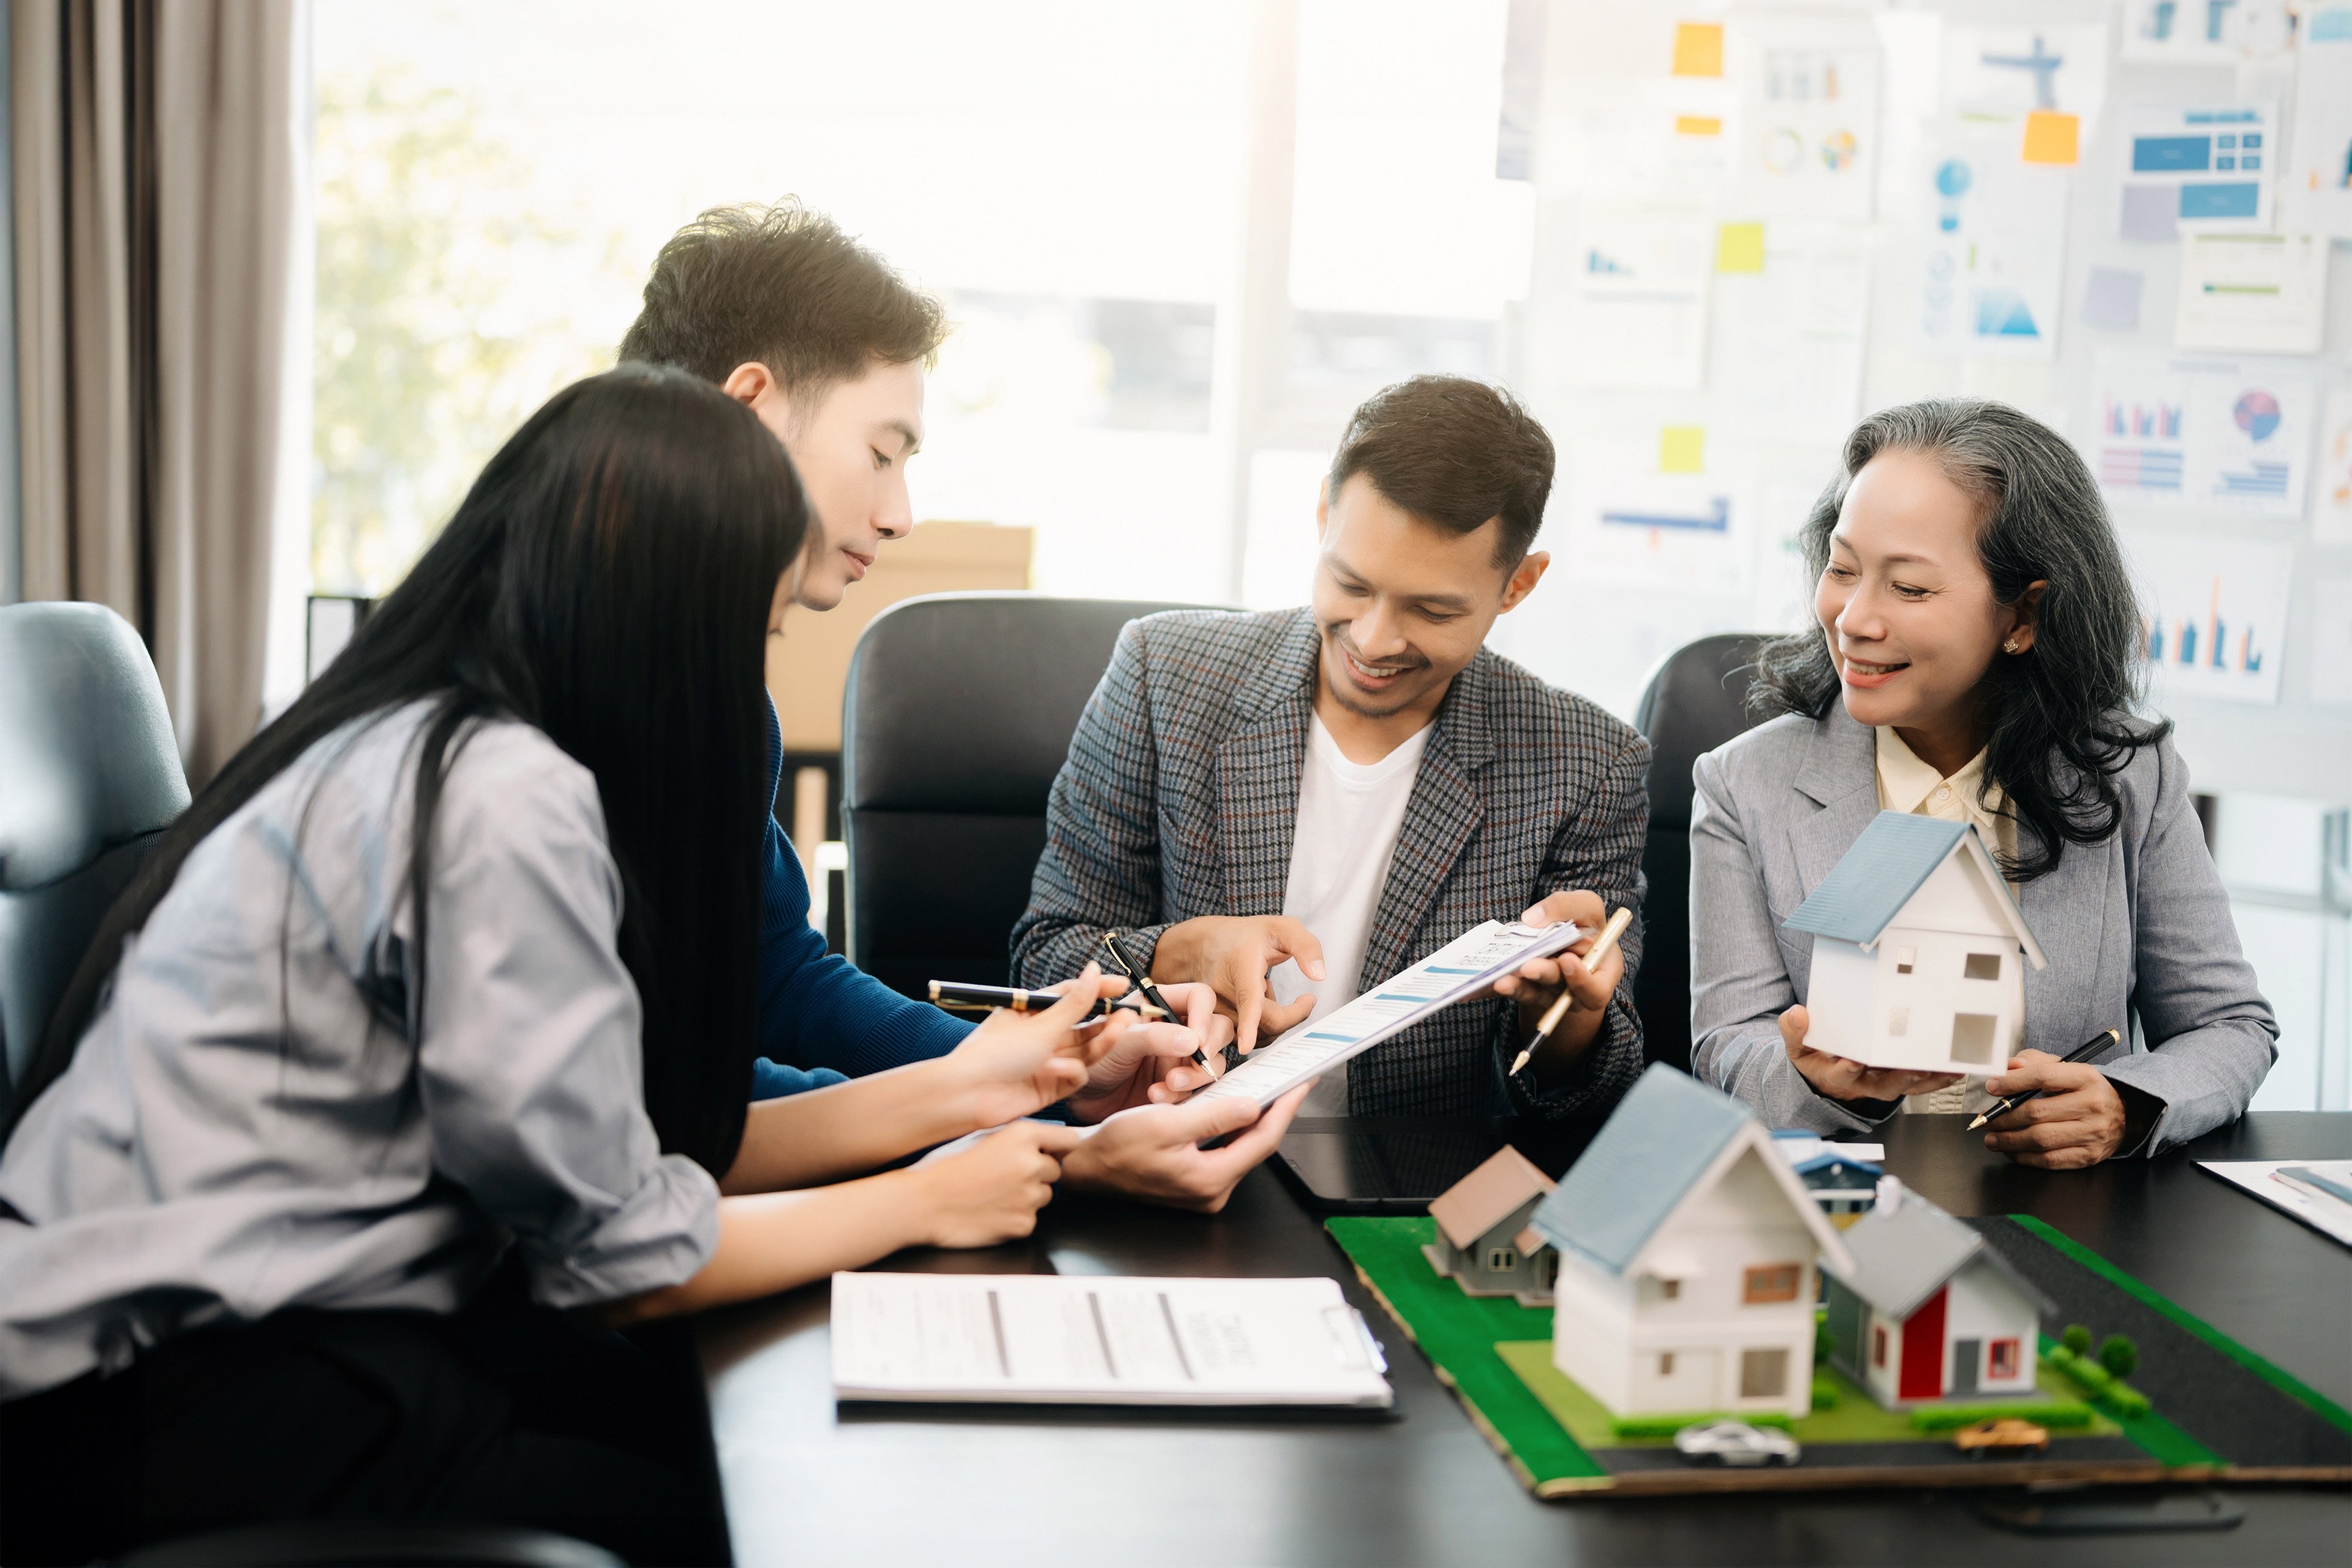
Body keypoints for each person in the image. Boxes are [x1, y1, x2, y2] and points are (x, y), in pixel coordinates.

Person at [0, 368, 1226, 1564]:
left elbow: (632, 1148)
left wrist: (986, 1086)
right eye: (755, 619)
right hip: (186, 1389)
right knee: (765, 1505)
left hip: (299, 1323)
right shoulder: (496, 801)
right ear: (661, 609)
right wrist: (922, 1197)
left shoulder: (433, 731)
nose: (748, 668)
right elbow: (619, 1256)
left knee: (713, 1431)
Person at [619, 202, 1300, 1206]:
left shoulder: (714, 688)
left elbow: (773, 972)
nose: (899, 516)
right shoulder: (584, 691)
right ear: (753, 407)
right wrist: (1003, 1130)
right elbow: (662, 1111)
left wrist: (1052, 1075)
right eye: (883, 453)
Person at [1012, 375, 1652, 1120]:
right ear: (1323, 514)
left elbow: (1593, 1098)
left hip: (1407, 1190)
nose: (1375, 640)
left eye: (1433, 609)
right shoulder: (1164, 675)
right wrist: (1179, 952)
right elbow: (1044, 958)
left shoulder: (1588, 765)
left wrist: (1573, 1020)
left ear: (1518, 584)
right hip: (1165, 1144)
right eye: (1351, 583)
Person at [1688, 398, 2276, 1166]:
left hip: (2062, 1218)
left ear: (2022, 616)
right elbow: (1728, 1046)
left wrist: (2127, 1104)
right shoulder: (1746, 782)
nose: (1853, 619)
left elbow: (2229, 1026)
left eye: (1910, 588)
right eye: (1842, 569)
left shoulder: (2131, 774)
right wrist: (1817, 1079)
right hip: (1844, 1205)